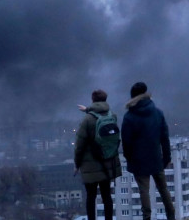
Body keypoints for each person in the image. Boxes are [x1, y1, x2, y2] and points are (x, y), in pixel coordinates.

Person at [121, 82, 176, 220]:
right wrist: (167, 157)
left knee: (144, 191)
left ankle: (147, 217)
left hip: (138, 161)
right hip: (156, 158)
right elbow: (165, 137)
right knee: (163, 189)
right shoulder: (158, 113)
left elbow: (126, 143)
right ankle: (171, 215)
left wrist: (129, 159)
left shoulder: (129, 117)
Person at [74, 89, 121, 220]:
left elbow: (79, 145)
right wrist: (88, 109)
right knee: (107, 195)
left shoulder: (87, 120)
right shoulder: (112, 116)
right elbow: (99, 113)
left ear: (92, 100)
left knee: (91, 196)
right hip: (107, 161)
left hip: (90, 163)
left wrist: (77, 164)